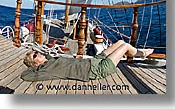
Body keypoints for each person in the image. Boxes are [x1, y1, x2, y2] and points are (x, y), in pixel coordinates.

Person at [21, 40, 154, 82]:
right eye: (35, 55)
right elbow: (25, 76)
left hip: (94, 61)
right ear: (35, 64)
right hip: (96, 70)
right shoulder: (45, 70)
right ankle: (142, 54)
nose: (38, 53)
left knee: (120, 42)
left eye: (36, 52)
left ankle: (141, 53)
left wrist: (39, 55)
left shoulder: (50, 60)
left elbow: (47, 56)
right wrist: (34, 67)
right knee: (124, 47)